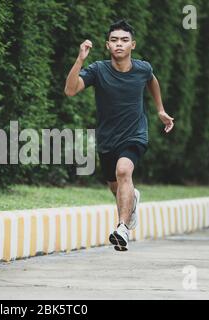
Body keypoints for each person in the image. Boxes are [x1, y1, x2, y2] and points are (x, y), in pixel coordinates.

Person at [64, 19, 174, 251]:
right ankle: (131, 198)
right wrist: (80, 59)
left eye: (124, 40)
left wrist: (160, 110)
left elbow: (152, 81)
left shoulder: (142, 68)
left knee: (124, 171)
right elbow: (70, 90)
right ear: (107, 45)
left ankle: (122, 228)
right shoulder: (98, 70)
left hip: (135, 134)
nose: (119, 44)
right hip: (107, 139)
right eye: (114, 40)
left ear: (132, 45)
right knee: (116, 186)